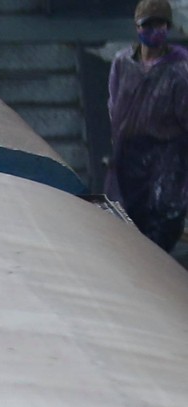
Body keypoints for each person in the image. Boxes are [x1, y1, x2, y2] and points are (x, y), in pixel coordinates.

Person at [109, 0, 188, 250]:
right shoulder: (123, 63)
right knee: (126, 227)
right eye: (148, 24)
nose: (155, 30)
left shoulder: (180, 69)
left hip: (165, 162)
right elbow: (113, 104)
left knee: (161, 226)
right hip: (128, 158)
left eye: (161, 24)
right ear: (137, 26)